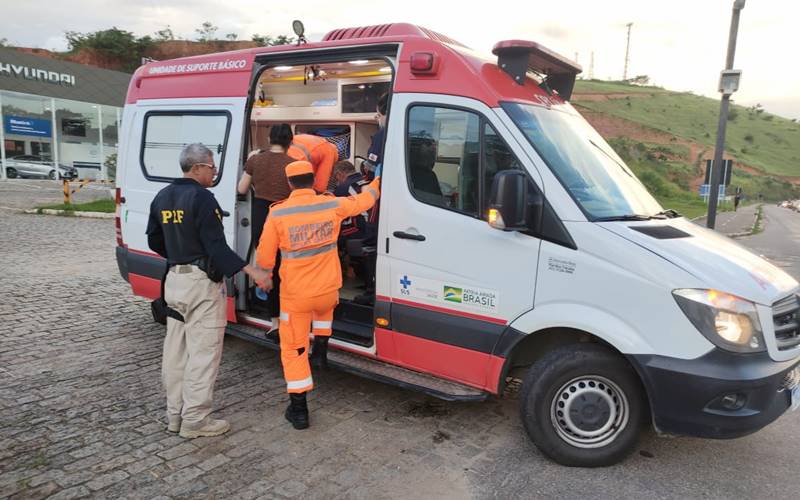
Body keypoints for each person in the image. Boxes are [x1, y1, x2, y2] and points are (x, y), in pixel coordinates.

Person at [147, 143, 270, 439]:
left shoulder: (162, 196)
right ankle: (196, 420)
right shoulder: (202, 198)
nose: (214, 172)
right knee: (203, 354)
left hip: (174, 282)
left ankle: (175, 416)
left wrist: (179, 255)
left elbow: (154, 240)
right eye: (212, 167)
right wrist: (251, 270)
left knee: (176, 352)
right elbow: (216, 246)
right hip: (200, 285)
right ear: (198, 167)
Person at [256, 160, 380, 430]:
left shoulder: (278, 214)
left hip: (296, 295)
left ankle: (299, 410)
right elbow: (364, 203)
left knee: (293, 348)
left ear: (290, 184)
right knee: (324, 313)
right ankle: (321, 353)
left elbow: (265, 258)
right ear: (313, 180)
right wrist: (378, 182)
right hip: (328, 290)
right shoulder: (330, 204)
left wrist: (263, 275)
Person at [238, 124, 294, 329]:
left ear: (269, 139)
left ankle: (274, 322)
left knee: (267, 270)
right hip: (286, 222)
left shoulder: (255, 160)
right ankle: (290, 317)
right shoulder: (294, 164)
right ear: (291, 141)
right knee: (286, 272)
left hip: (262, 221)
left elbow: (241, 188)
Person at [333, 160, 379, 304]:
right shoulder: (367, 181)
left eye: (336, 178)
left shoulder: (342, 188)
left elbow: (337, 216)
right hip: (374, 227)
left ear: (340, 175)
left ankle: (338, 279)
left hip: (361, 230)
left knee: (333, 239)